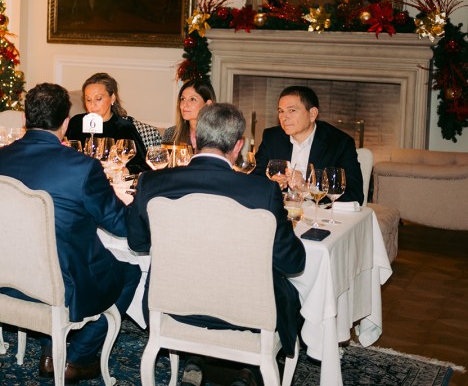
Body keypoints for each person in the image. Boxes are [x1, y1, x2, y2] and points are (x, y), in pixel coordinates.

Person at [127, 103, 306, 374]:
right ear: (238, 146)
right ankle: (245, 373)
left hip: (172, 307)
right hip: (245, 314)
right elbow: (292, 263)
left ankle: (216, 367)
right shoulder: (263, 191)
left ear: (194, 138)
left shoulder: (151, 182)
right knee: (291, 292)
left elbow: (137, 243)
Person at [0, 83, 140, 383]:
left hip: (6, 279)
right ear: (66, 123)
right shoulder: (82, 167)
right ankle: (76, 357)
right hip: (61, 287)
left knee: (54, 252)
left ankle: (50, 352)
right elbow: (119, 225)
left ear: (25, 119)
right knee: (129, 272)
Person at [254, 86, 363, 205]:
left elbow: (355, 194)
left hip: (319, 213)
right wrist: (272, 184)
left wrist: (307, 188)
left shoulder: (339, 143)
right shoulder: (272, 137)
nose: (284, 118)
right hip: (281, 210)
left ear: (312, 114)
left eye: (292, 110)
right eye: (281, 111)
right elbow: (254, 179)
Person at [65, 73, 147, 174]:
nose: (92, 105)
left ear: (112, 98)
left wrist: (120, 171)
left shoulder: (123, 127)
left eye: (98, 99)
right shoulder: (76, 123)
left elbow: (143, 165)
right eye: (88, 100)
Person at [162, 78, 215, 145]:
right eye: (183, 99)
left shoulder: (218, 135)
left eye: (192, 99)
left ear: (208, 104)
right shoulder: (171, 134)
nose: (184, 105)